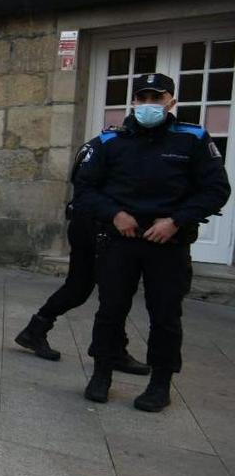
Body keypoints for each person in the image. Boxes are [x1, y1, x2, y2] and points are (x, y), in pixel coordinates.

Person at [76, 73, 230, 412]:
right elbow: (85, 188)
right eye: (143, 98)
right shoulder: (109, 142)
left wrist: (176, 221)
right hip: (121, 239)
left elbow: (216, 190)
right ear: (133, 102)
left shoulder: (192, 139)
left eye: (157, 98)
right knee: (110, 309)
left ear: (171, 102)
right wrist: (114, 213)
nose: (149, 105)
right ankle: (102, 372)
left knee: (165, 315)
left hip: (168, 243)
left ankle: (160, 383)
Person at [13, 145, 150, 375]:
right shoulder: (110, 146)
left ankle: (36, 330)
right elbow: (87, 189)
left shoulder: (103, 144)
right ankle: (111, 349)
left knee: (94, 289)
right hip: (95, 225)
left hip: (93, 224)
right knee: (100, 290)